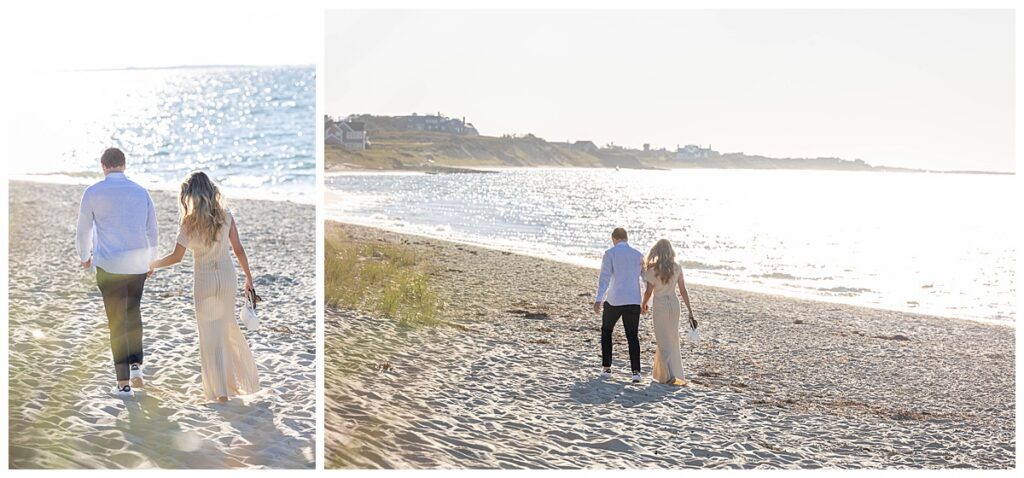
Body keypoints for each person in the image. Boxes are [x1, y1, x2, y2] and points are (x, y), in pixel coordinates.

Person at [150, 171, 260, 403]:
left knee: (210, 336)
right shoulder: (226, 216)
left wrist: (154, 265)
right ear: (211, 191)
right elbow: (238, 250)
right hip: (227, 278)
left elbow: (176, 257)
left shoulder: (189, 223)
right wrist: (249, 278)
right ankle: (235, 383)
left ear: (189, 195)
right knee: (227, 329)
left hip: (205, 281)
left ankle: (220, 392)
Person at [76, 147, 158, 398]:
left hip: (109, 266)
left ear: (103, 165)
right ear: (124, 165)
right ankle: (136, 367)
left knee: (116, 323)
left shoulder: (92, 192)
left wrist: (85, 257)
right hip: (136, 266)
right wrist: (151, 261)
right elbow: (152, 230)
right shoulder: (141, 192)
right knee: (133, 313)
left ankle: (123, 384)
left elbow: (83, 231)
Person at [641, 239, 696, 386]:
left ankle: (670, 375)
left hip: (660, 305)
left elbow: (648, 291)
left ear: (657, 252)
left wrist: (644, 303)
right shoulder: (677, 267)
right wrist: (690, 311)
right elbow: (683, 291)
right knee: (672, 339)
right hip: (674, 303)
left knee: (662, 340)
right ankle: (668, 375)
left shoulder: (653, 270)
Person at [593, 227, 645, 383]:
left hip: (615, 299)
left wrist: (598, 299)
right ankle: (636, 372)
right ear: (626, 239)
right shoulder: (638, 255)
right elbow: (645, 279)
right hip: (633, 300)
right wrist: (647, 301)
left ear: (614, 239)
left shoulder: (610, 253)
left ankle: (607, 368)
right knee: (632, 336)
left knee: (607, 330)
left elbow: (605, 278)